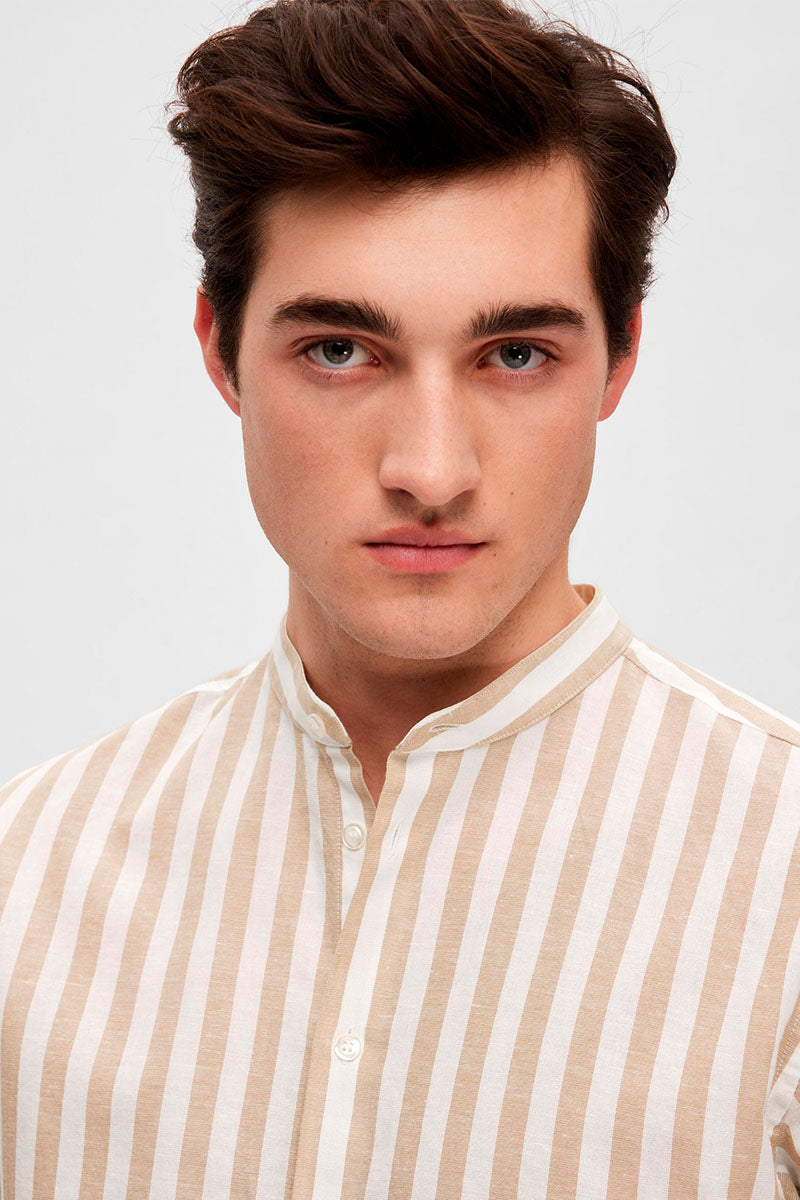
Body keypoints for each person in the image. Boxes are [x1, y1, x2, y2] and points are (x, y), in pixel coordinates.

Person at [1, 0, 798, 1195]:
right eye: (339, 350)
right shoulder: (24, 882)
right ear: (220, 350)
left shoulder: (783, 890)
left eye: (515, 355)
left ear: (619, 358)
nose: (430, 470)